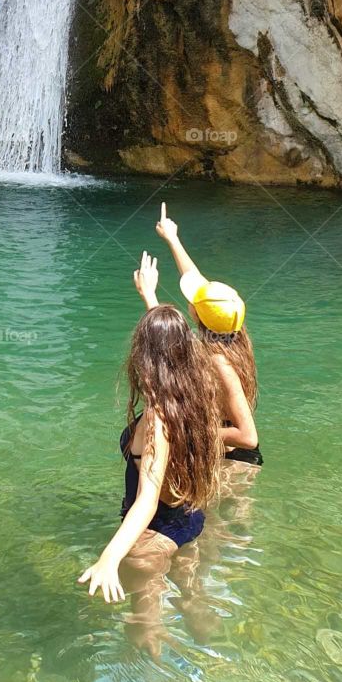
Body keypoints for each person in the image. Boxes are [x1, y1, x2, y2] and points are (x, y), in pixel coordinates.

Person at [78, 255, 221, 604]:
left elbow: (146, 498)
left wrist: (109, 558)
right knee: (192, 600)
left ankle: (148, 651)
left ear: (143, 358)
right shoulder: (197, 389)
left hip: (153, 530)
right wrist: (150, 296)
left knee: (146, 626)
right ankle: (209, 638)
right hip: (189, 518)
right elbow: (173, 347)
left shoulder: (158, 417)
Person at [149, 203, 262, 466]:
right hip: (226, 458)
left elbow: (248, 437)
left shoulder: (217, 361)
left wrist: (189, 434)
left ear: (198, 316)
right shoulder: (231, 332)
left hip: (233, 465)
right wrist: (172, 238)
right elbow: (195, 278)